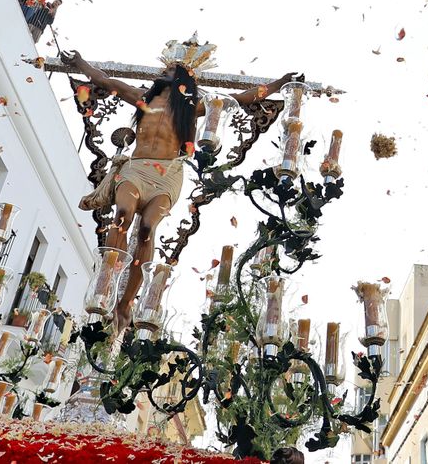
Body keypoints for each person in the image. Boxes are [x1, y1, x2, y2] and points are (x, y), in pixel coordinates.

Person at [62, 40, 299, 328]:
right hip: (136, 169)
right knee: (122, 216)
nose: (165, 72)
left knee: (147, 231)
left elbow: (245, 97)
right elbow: (104, 79)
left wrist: (282, 82)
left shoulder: (193, 107)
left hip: (167, 175)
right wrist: (79, 62)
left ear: (183, 79)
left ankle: (126, 304)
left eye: (172, 70)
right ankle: (106, 283)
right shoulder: (142, 98)